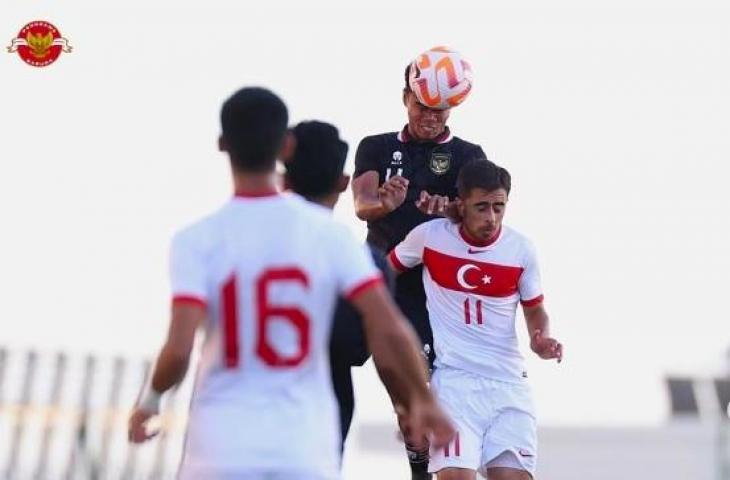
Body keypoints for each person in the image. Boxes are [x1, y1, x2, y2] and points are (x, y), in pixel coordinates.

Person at [127, 87, 453, 480]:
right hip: (303, 442)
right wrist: (418, 400)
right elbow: (389, 330)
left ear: (222, 144)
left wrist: (150, 401)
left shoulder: (196, 240)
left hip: (221, 442)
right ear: (284, 146)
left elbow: (178, 351)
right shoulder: (330, 238)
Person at [351, 48, 486, 478]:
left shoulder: (469, 154)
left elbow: (485, 215)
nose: (431, 115)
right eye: (422, 105)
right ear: (406, 98)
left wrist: (451, 211)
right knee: (403, 386)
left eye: (440, 108)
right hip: (387, 282)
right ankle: (419, 466)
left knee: (441, 386)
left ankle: (439, 466)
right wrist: (383, 203)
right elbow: (361, 202)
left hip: (441, 285)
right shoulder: (376, 146)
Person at [387, 159, 563, 480]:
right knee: (456, 476)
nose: (491, 218)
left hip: (508, 384)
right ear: (461, 202)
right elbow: (381, 273)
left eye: (499, 207)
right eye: (482, 207)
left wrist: (541, 338)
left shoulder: (521, 249)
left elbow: (535, 308)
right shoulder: (430, 237)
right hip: (455, 382)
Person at [282, 120, 393, 447]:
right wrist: (415, 402)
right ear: (344, 183)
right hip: (322, 404)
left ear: (283, 179)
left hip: (240, 408)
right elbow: (361, 347)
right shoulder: (361, 259)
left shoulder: (236, 239)